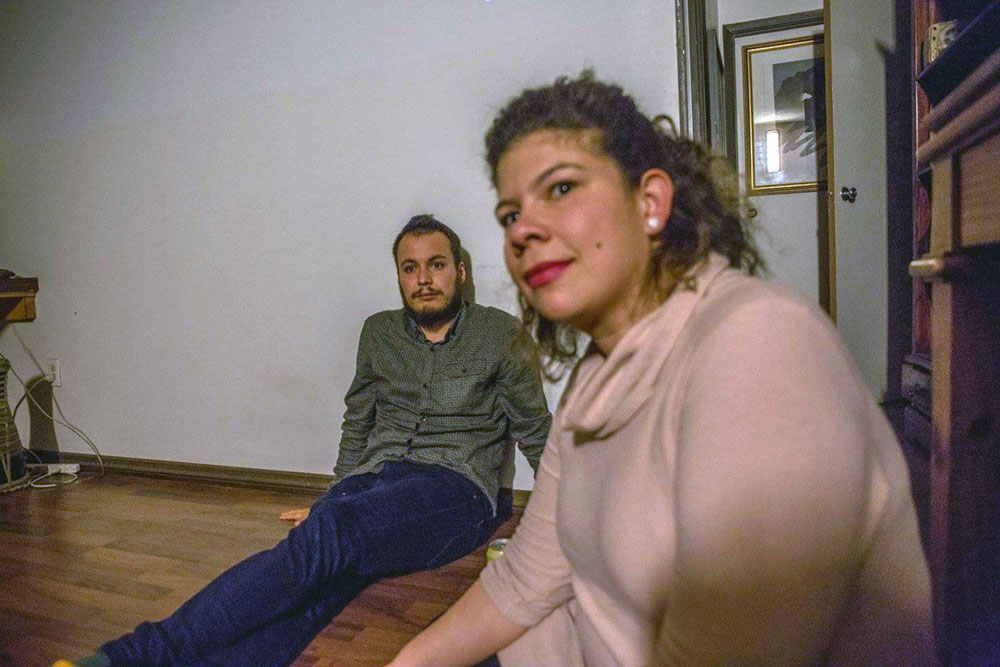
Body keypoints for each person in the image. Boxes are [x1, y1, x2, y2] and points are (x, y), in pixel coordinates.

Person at [389, 73, 935, 666]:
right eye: (510, 213)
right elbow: (526, 576)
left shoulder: (757, 344)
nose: (522, 230)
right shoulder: (596, 376)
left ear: (649, 202)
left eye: (562, 188)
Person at [57, 215, 551, 667]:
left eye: (436, 265)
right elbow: (358, 419)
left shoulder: (501, 334)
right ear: (399, 277)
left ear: (459, 272)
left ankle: (128, 657)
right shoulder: (378, 332)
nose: (423, 279)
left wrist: (564, 519)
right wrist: (338, 492)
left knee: (326, 538)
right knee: (319, 577)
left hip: (455, 490)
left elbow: (535, 429)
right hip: (375, 479)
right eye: (410, 268)